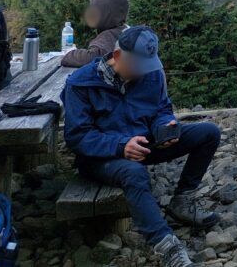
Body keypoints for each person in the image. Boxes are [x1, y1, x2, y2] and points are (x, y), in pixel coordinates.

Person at [63, 26, 221, 267]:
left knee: (209, 133)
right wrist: (121, 146)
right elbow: (77, 137)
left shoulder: (152, 72)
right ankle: (167, 247)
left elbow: (161, 108)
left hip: (145, 143)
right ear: (117, 57)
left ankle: (183, 199)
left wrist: (164, 127)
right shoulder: (81, 83)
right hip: (101, 158)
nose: (144, 72)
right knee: (134, 173)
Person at [61, 0, 129, 68]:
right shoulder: (123, 29)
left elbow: (92, 57)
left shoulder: (109, 35)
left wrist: (70, 53)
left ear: (107, 14)